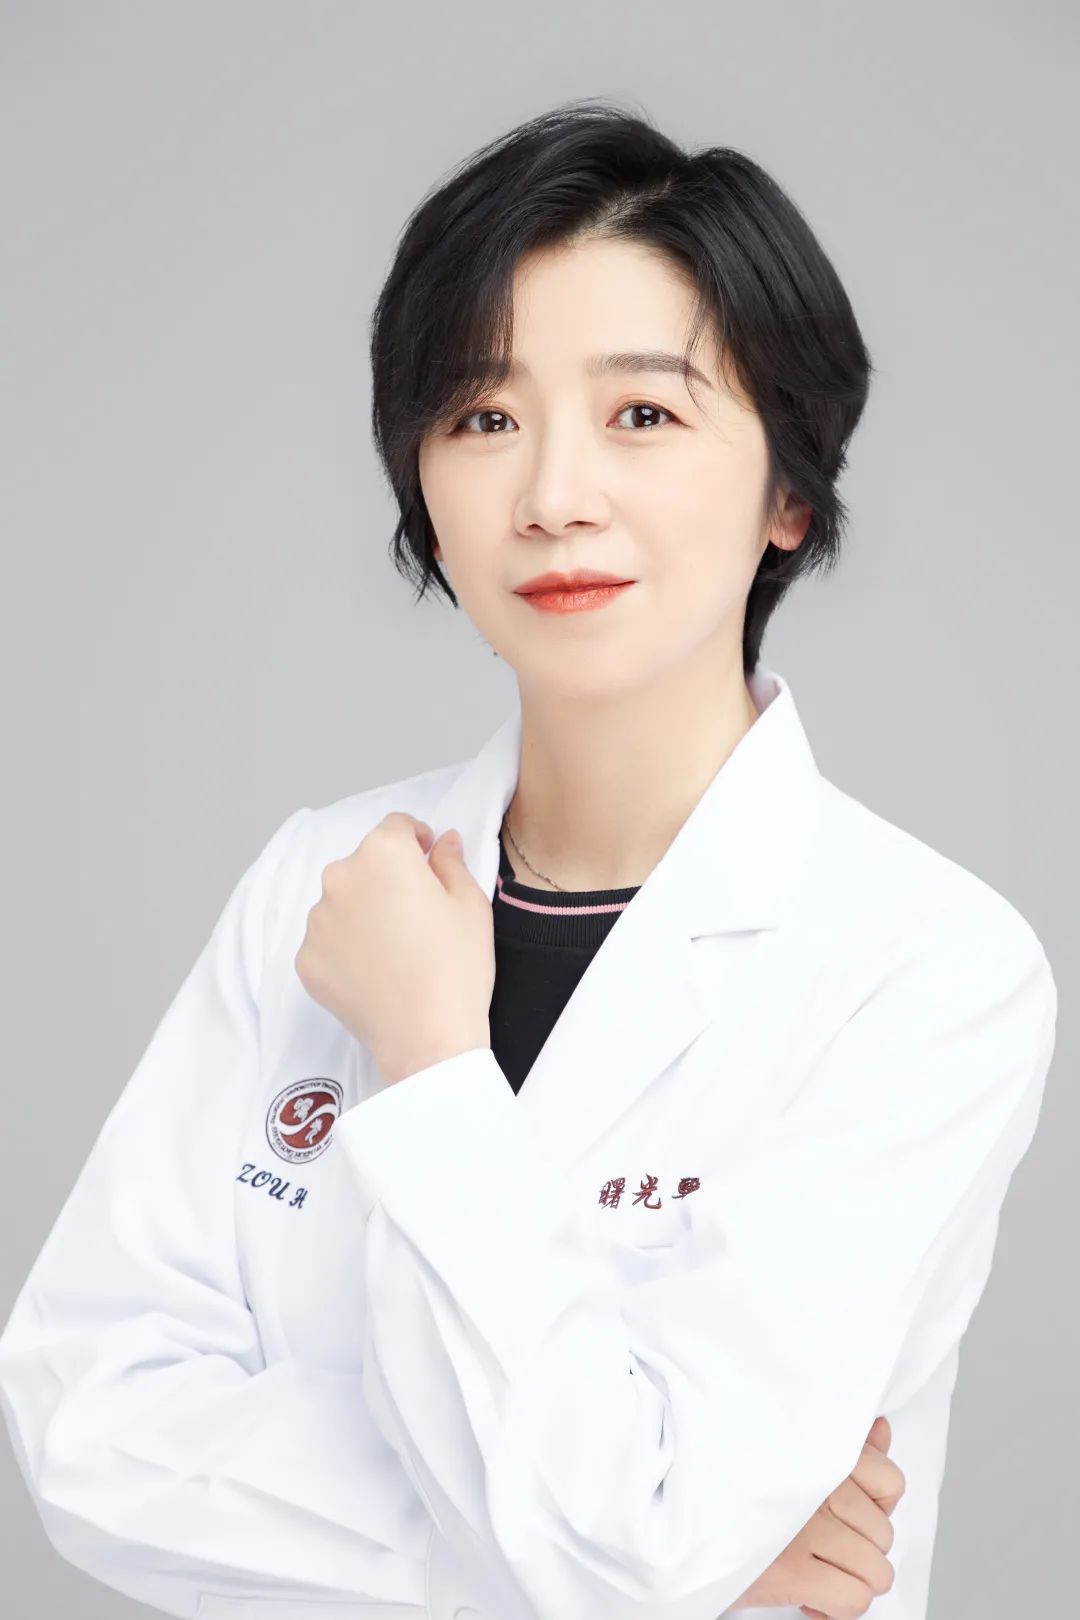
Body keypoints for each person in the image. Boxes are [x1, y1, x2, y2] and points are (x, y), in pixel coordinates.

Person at [0, 100, 1056, 1620]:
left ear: (789, 491)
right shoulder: (320, 877)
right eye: (484, 417)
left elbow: (642, 1531)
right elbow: (86, 1425)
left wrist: (432, 1059)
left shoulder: (927, 963)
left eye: (644, 415)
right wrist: (642, 1552)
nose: (553, 495)